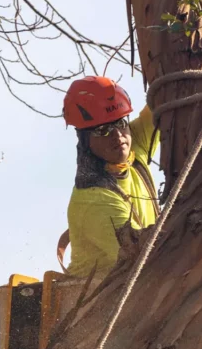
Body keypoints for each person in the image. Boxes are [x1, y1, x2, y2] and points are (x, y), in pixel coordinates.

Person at [60, 76, 160, 278]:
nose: (117, 135)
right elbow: (146, 257)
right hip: (97, 301)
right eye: (103, 130)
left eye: (120, 123)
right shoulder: (95, 199)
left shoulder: (133, 148)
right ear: (86, 141)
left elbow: (168, 97)